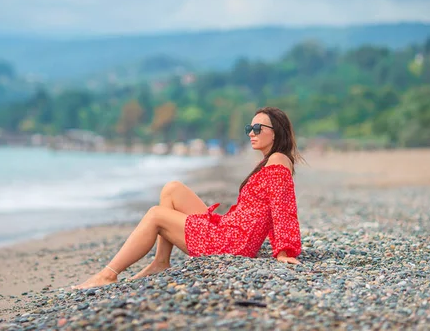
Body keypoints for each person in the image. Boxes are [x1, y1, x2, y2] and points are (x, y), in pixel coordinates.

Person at [73, 107, 302, 290]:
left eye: (257, 128)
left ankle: (108, 274)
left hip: (233, 242)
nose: (251, 132)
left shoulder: (278, 160)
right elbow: (270, 209)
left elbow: (283, 207)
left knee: (155, 215)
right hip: (231, 230)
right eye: (248, 127)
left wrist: (285, 251)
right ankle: (161, 262)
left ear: (276, 131)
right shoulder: (269, 161)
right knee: (172, 189)